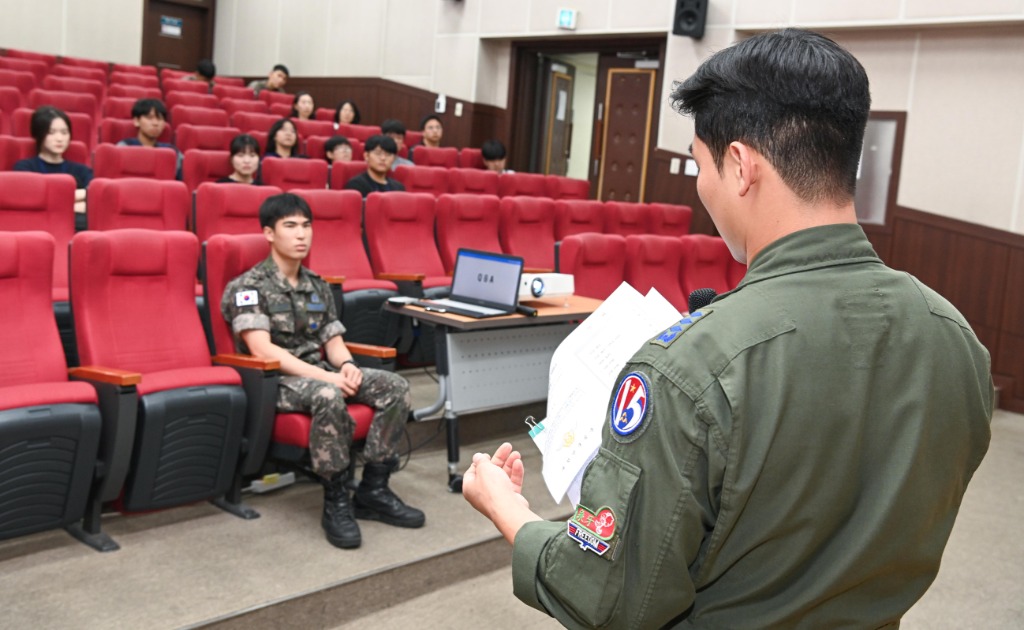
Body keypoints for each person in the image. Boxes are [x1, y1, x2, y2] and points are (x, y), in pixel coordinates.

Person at [462, 28, 993, 628]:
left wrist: (509, 510)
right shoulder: (954, 338)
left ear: (740, 165)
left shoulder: (692, 365)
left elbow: (607, 600)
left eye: (697, 162)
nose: (698, 183)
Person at [221, 193, 424, 549]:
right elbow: (262, 350)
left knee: (394, 386)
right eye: (290, 227)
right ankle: (336, 498)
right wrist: (329, 378)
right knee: (330, 395)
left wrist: (346, 365)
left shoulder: (317, 285)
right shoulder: (249, 287)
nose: (301, 235)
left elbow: (332, 339)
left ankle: (374, 489)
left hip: (319, 372)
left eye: (306, 226)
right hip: (275, 380)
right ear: (269, 234)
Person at [14, 106, 93, 227]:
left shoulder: (82, 170)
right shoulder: (24, 167)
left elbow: (93, 196)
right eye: (51, 132)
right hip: (36, 226)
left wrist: (48, 201)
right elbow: (29, 200)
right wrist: (75, 202)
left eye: (64, 132)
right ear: (39, 134)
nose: (59, 138)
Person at [117, 98, 182, 178]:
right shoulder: (124, 147)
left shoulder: (172, 151)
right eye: (149, 118)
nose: (155, 123)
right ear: (136, 121)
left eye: (160, 119)